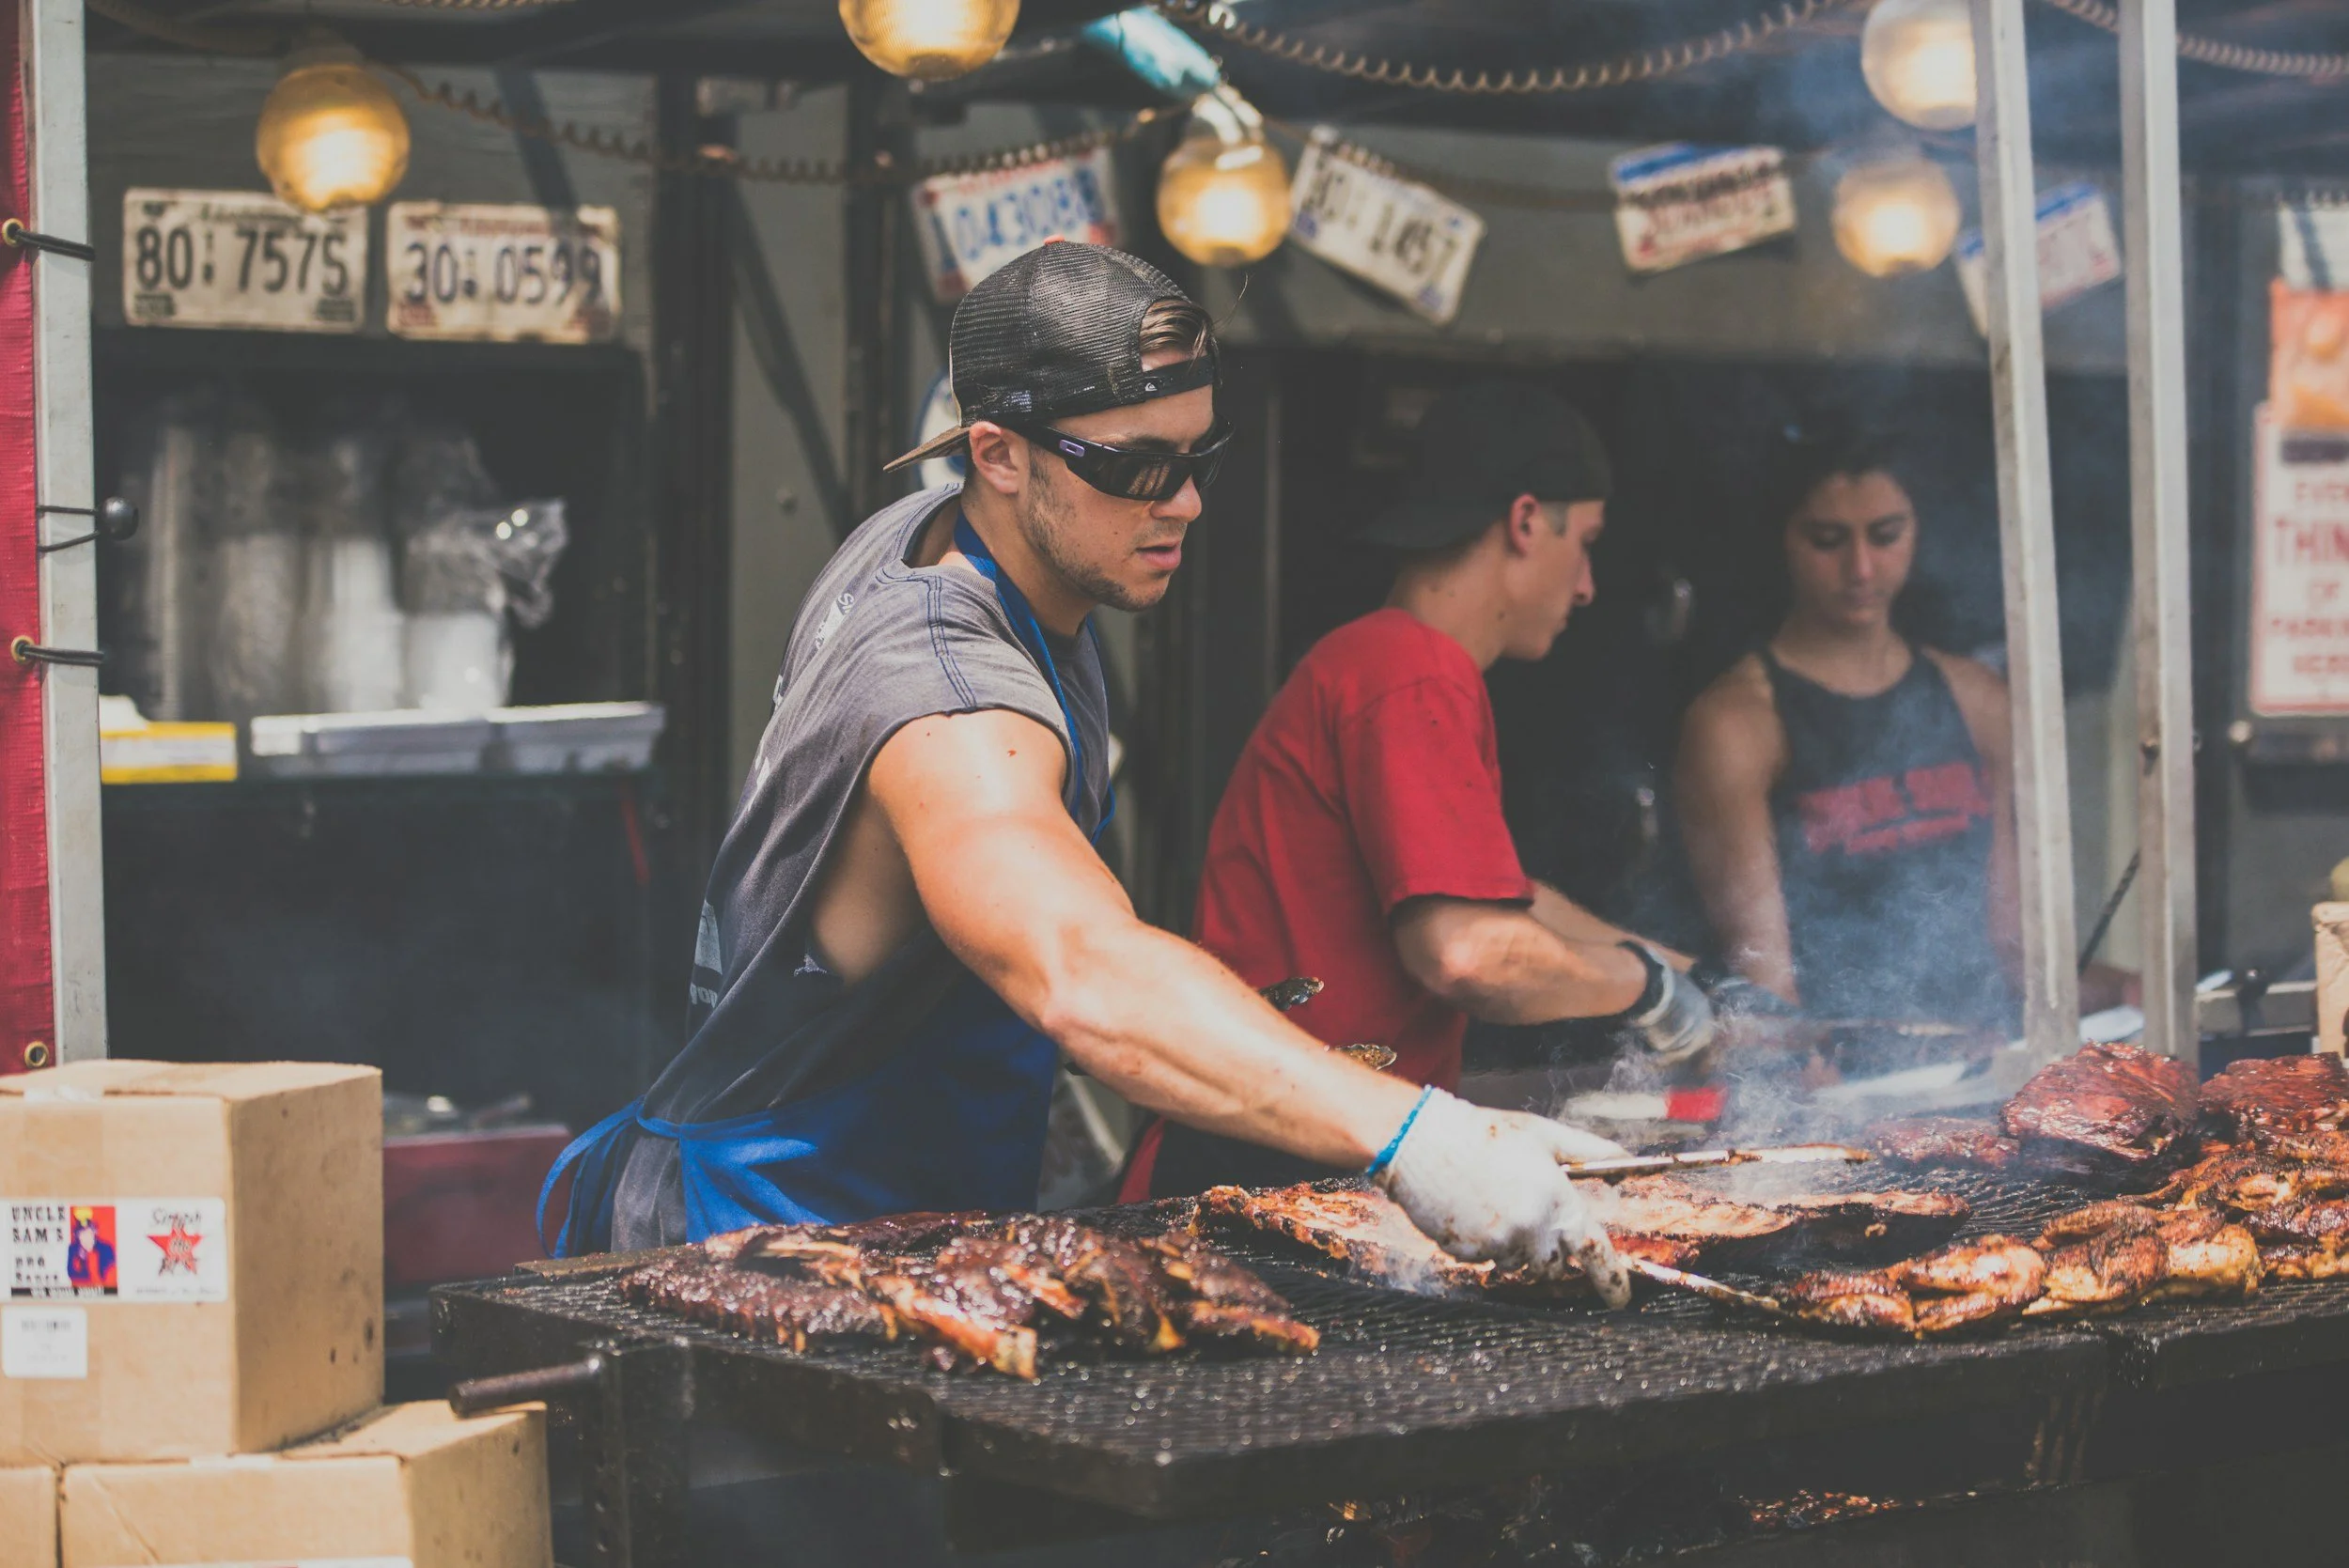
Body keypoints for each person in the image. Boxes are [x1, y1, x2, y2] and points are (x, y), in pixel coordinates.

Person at [538, 245, 1633, 1305]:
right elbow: (1080, 967)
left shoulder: (954, 533)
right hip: (769, 1241)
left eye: (1198, 458)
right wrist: (1416, 1133)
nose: (1185, 504)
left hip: (902, 1223)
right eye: (1136, 467)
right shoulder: (950, 696)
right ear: (998, 453)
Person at [1126, 380, 1733, 1200]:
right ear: (1524, 521)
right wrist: (1652, 991)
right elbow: (1470, 953)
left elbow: (1508, 901)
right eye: (1584, 541)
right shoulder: (1411, 671)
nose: (1587, 584)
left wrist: (1705, 975)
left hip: (1295, 1153)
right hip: (1268, 1169)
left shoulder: (1389, 662)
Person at [1675, 426, 2020, 1030]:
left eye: (1886, 536)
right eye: (1828, 540)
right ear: (1784, 539)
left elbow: (2015, 942)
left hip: (1984, 1058)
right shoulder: (1738, 722)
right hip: (1838, 1075)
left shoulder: (1980, 701)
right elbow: (1765, 985)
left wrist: (2117, 990)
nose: (1861, 567)